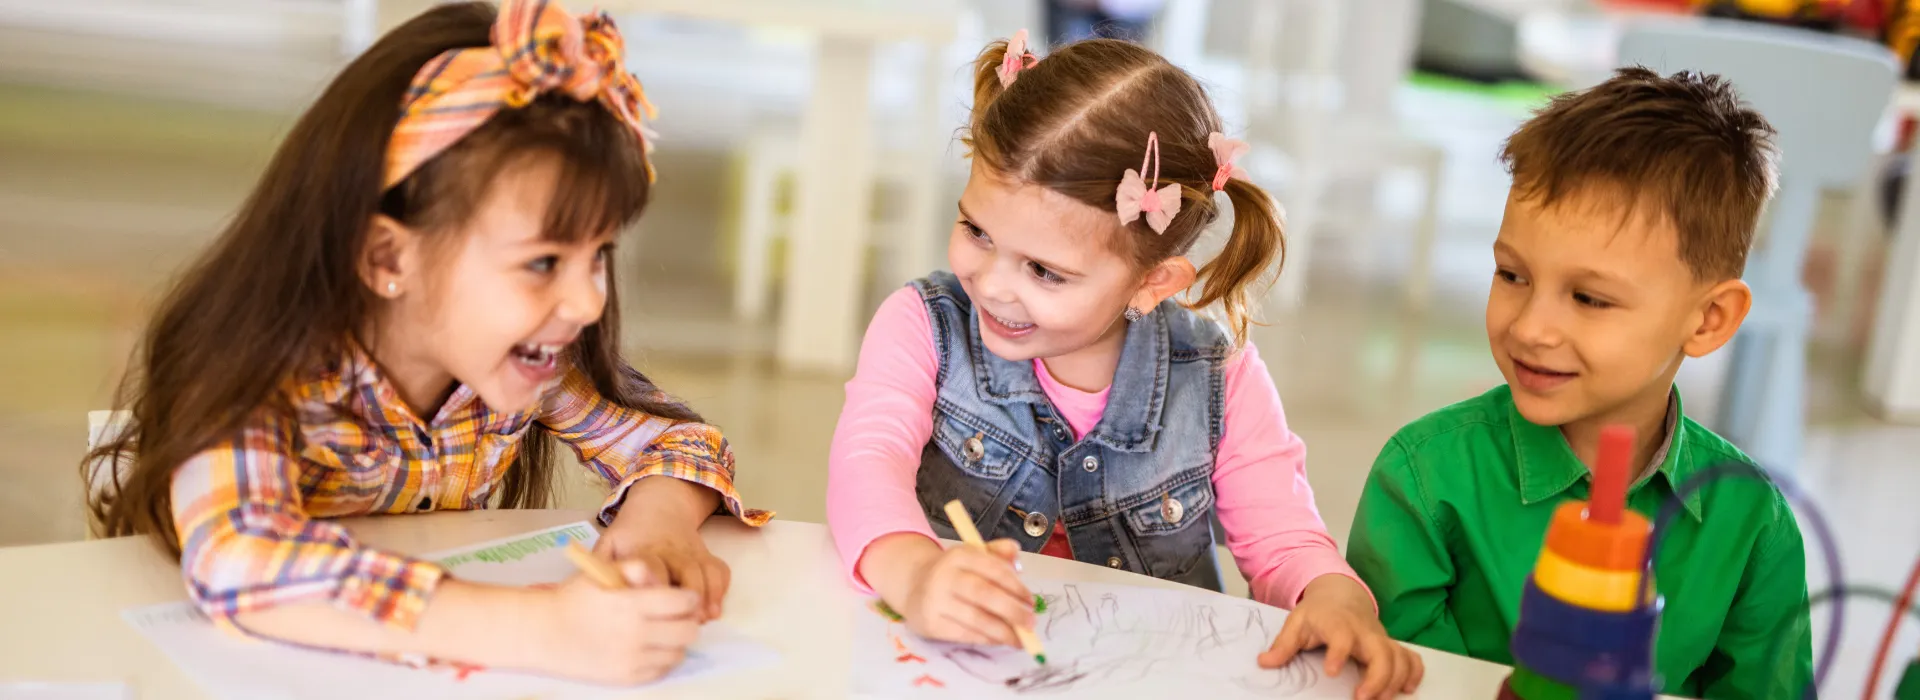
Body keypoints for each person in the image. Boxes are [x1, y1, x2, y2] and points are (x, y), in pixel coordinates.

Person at [83, 0, 768, 684]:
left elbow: (679, 442)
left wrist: (659, 524)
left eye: (599, 254)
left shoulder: (528, 360)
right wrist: (545, 629)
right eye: (542, 262)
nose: (590, 300)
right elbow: (242, 556)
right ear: (387, 259)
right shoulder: (255, 366)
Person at [826, 32, 1423, 699]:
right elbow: (866, 464)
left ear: (1153, 283)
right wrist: (913, 572)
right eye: (977, 232)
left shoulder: (1218, 378)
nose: (991, 284)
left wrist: (1333, 596)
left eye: (1044, 271)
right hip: (946, 670)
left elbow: (1283, 540)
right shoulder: (923, 324)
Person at [1346, 67, 1813, 697]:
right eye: (1512, 275)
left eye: (1589, 298)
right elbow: (1401, 681)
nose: (1532, 328)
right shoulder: (1425, 479)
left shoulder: (1752, 523)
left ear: (1708, 320)